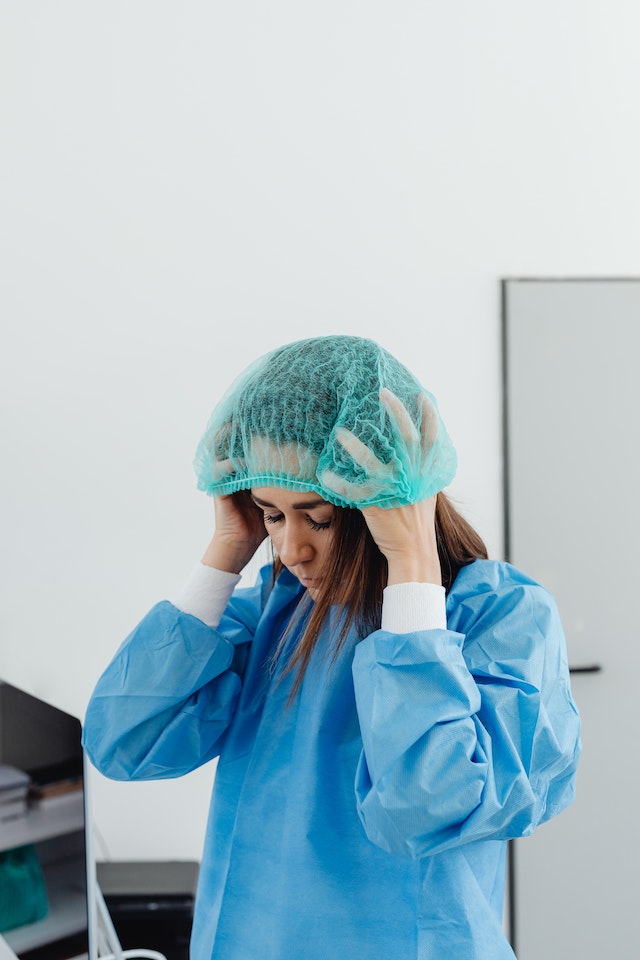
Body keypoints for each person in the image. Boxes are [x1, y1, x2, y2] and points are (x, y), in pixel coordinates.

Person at [82, 335, 581, 960]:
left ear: (389, 497)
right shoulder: (278, 611)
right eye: (270, 513)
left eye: (316, 518)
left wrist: (411, 562)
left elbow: (426, 807)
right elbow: (124, 741)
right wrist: (227, 549)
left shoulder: (499, 618)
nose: (290, 550)